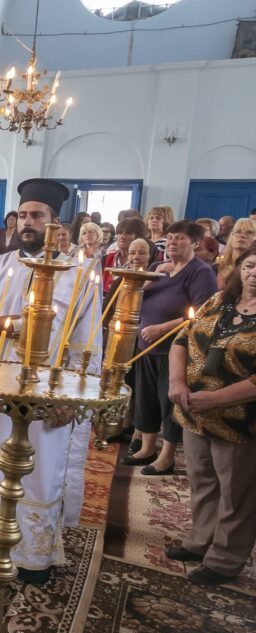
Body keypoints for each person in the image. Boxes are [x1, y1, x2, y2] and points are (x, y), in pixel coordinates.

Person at [0, 178, 101, 583]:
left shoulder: (81, 274)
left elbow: (88, 338)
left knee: (38, 471)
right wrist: (8, 325)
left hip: (48, 393)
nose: (29, 222)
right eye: (24, 215)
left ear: (57, 224)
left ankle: (30, 554)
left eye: (39, 215)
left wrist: (76, 395)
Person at [167, 245, 256, 585]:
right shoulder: (219, 301)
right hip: (195, 411)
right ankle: (200, 540)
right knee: (203, 480)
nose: (254, 274)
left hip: (240, 420)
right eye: (249, 266)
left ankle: (225, 558)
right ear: (239, 268)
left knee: (237, 491)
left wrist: (217, 399)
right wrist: (177, 382)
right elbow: (182, 338)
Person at [122, 221, 218, 475]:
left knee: (169, 402)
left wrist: (161, 328)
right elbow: (133, 297)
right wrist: (149, 281)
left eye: (180, 238)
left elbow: (201, 314)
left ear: (196, 243)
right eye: (170, 238)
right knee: (147, 398)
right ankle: (147, 448)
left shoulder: (201, 272)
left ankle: (166, 457)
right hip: (146, 346)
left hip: (175, 349)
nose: (172, 242)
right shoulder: (157, 268)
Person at [102, 217, 148, 293]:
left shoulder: (142, 261)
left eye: (128, 233)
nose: (122, 237)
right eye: (119, 233)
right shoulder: (106, 258)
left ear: (138, 237)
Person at [215, 218, 255, 288]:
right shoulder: (216, 267)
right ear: (231, 236)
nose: (242, 235)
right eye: (238, 231)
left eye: (249, 232)